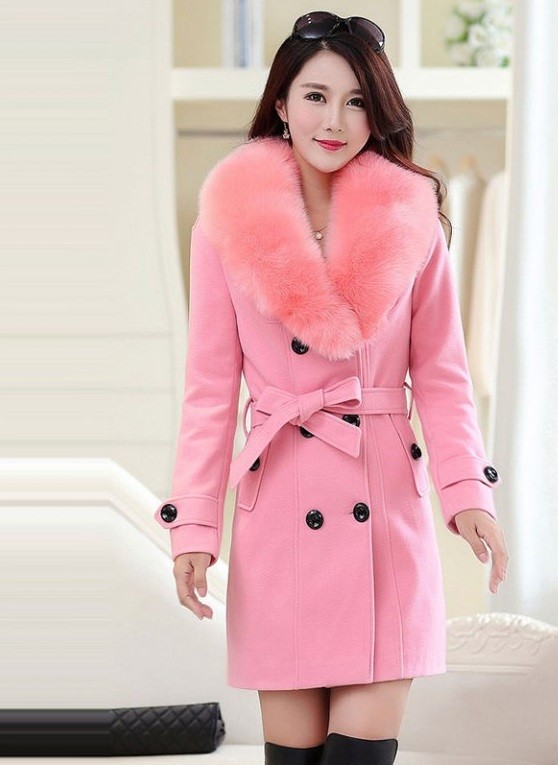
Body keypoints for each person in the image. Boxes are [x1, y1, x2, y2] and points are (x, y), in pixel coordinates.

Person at [154, 11, 510, 765]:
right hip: (279, 515)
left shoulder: (412, 218)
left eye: (356, 102)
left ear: (377, 115)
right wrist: (194, 528)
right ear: (281, 103)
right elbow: (209, 392)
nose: (334, 121)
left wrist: (466, 491)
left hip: (382, 510)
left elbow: (442, 375)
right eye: (315, 96)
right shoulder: (224, 224)